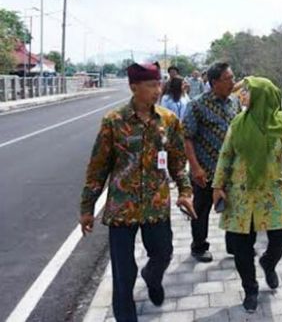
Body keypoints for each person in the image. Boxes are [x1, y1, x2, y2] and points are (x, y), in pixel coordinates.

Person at [79, 62, 196, 322]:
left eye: (158, 84)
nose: (158, 90)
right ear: (134, 88)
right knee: (123, 272)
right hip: (122, 207)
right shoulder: (113, 122)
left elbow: (177, 162)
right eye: (151, 85)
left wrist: (185, 192)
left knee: (163, 254)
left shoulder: (168, 120)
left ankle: (152, 277)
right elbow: (97, 168)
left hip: (156, 204)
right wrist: (87, 208)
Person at [212, 76, 282, 313]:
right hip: (241, 193)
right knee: (241, 246)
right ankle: (250, 288)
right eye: (242, 91)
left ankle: (268, 262)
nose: (242, 95)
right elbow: (225, 156)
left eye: (247, 91)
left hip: (272, 190)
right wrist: (218, 186)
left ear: (262, 95)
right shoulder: (237, 123)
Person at [182, 62, 241, 262]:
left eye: (233, 77)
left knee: (232, 206)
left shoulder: (235, 103)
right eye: (228, 79)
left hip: (232, 170)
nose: (233, 82)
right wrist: (195, 167)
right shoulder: (197, 105)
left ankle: (234, 245)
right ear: (214, 82)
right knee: (201, 208)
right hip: (205, 169)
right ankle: (199, 246)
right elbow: (187, 138)